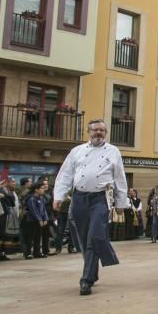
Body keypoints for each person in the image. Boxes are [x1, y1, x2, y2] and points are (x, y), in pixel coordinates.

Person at [53, 119, 128, 296]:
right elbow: (65, 174)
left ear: (106, 133)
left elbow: (120, 178)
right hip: (78, 198)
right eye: (95, 130)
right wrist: (58, 196)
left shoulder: (113, 151)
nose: (98, 133)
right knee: (83, 238)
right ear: (89, 132)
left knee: (95, 236)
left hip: (100, 199)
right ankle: (93, 272)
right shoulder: (77, 151)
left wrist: (120, 203)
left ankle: (85, 279)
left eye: (102, 130)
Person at [24, 181, 49, 258]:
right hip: (31, 221)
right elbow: (34, 210)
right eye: (41, 188)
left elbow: (44, 209)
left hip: (40, 221)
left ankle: (37, 252)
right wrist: (39, 220)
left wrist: (45, 219)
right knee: (30, 237)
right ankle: (27, 253)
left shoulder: (41, 198)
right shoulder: (31, 199)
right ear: (36, 190)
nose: (43, 190)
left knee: (38, 237)